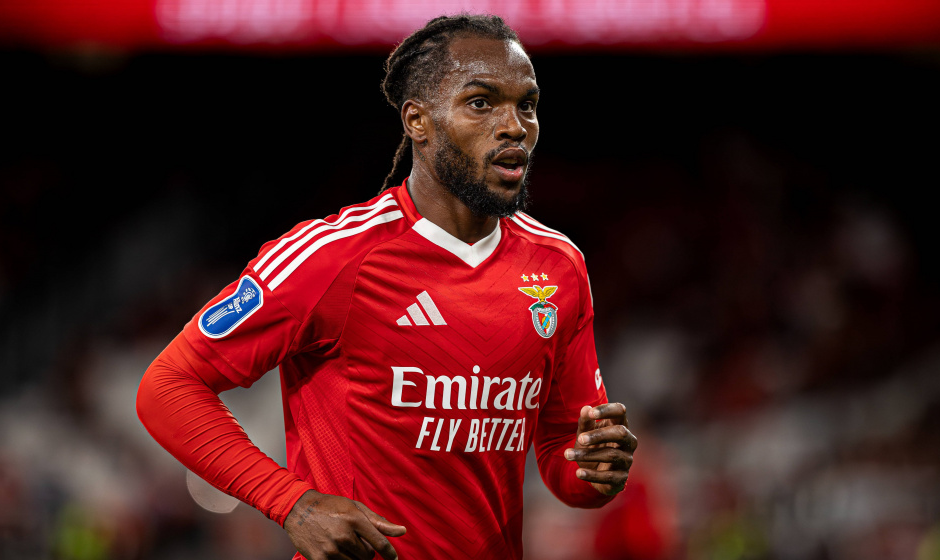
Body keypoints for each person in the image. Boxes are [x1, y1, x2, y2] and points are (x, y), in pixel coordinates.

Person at [136, 14, 637, 560]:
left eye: (528, 105)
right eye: (481, 103)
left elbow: (564, 461)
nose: (514, 126)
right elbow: (168, 386)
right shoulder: (331, 257)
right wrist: (291, 503)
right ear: (418, 121)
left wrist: (594, 469)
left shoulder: (558, 267)